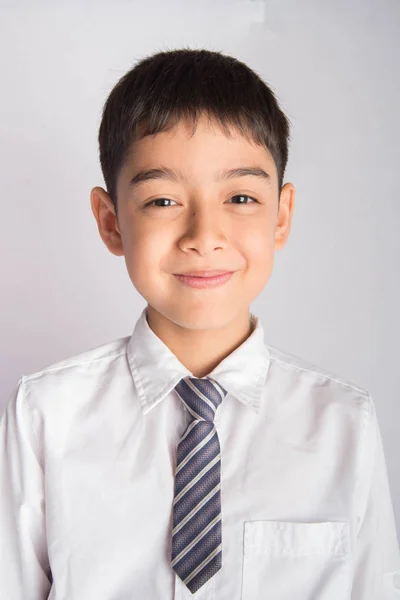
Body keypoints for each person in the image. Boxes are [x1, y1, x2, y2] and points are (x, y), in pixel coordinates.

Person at [1, 47, 399, 600]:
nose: (203, 236)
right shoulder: (44, 415)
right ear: (111, 222)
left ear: (280, 216)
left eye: (240, 197)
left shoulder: (343, 424)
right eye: (163, 200)